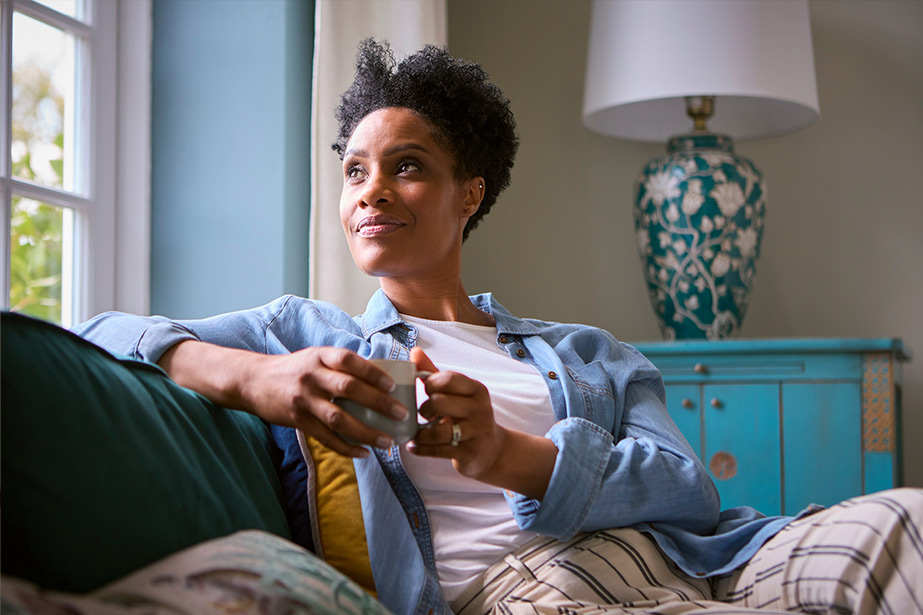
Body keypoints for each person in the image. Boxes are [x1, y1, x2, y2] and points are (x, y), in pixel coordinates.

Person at [75, 39, 922, 615]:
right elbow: (100, 335)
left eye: (406, 167)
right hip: (528, 588)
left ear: (468, 193)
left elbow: (687, 489)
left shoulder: (587, 352)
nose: (371, 190)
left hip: (705, 562)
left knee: (902, 523)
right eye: (354, 171)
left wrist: (509, 453)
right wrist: (258, 377)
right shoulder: (306, 331)